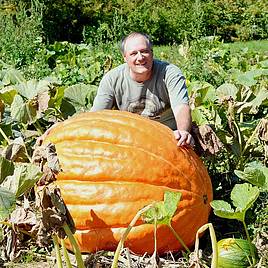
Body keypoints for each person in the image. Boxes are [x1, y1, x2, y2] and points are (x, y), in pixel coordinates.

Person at [91, 32, 194, 146]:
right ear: (125, 57)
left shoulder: (169, 73)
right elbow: (96, 116)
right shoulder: (112, 79)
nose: (140, 57)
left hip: (167, 139)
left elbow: (181, 107)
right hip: (129, 142)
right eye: (133, 53)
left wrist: (183, 131)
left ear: (152, 53)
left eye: (144, 51)